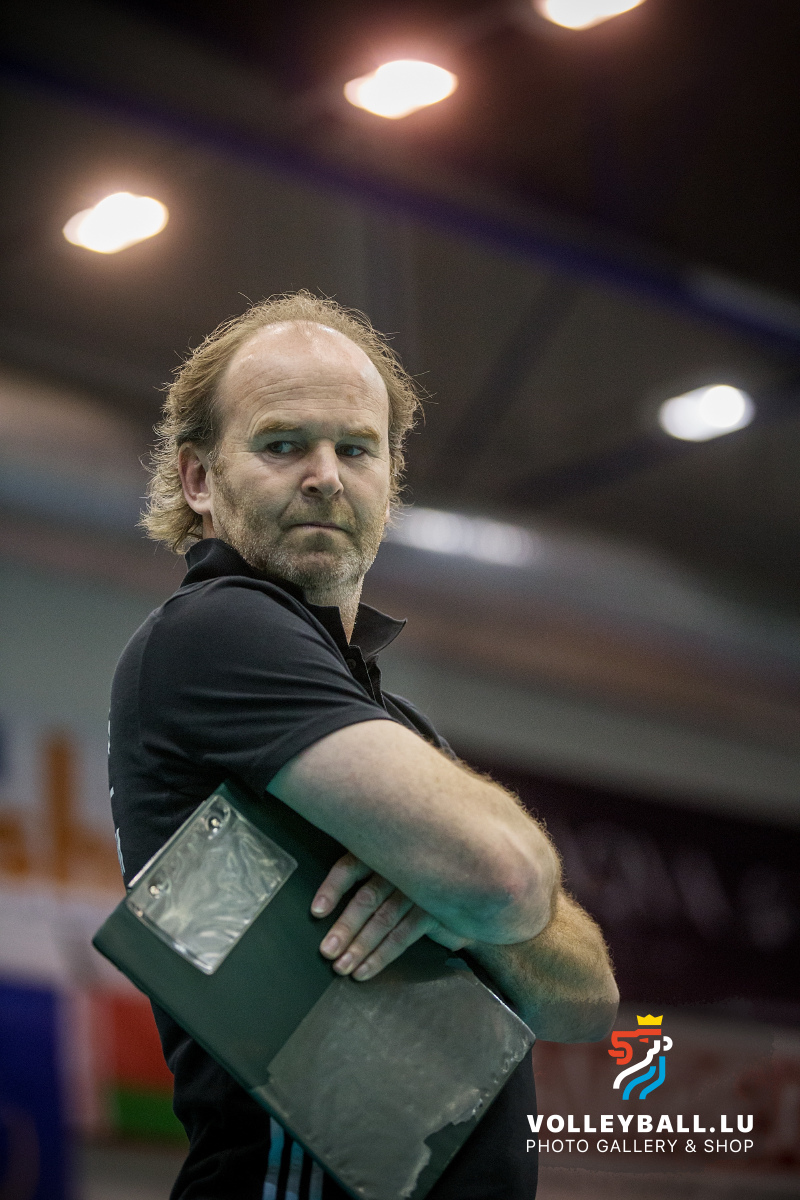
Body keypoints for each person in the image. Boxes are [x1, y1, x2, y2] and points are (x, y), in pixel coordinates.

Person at [109, 291, 618, 1200]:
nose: (325, 476)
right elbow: (505, 874)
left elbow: (586, 1001)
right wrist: (475, 896)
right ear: (198, 479)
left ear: (390, 476)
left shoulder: (393, 717)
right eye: (281, 445)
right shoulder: (216, 629)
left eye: (356, 448)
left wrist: (451, 906)